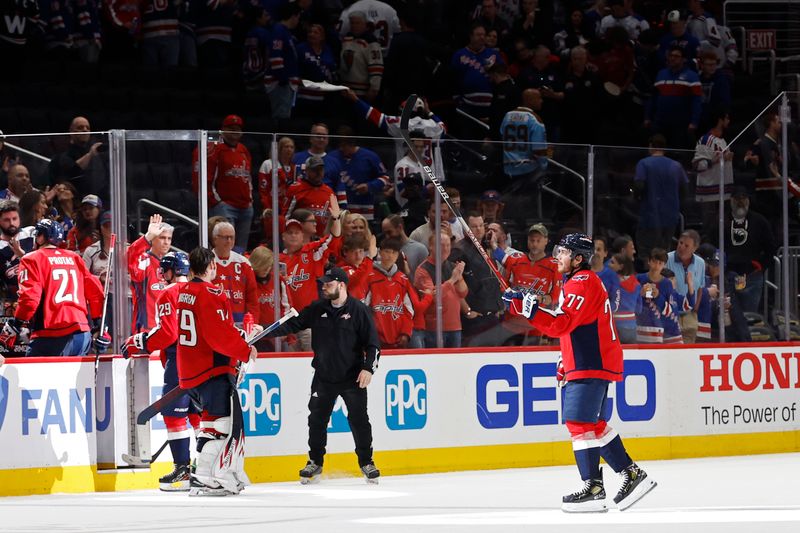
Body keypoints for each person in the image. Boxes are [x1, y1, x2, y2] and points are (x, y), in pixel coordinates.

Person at [503, 233, 656, 513]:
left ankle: (594, 488)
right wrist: (522, 305)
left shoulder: (582, 283)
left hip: (591, 361)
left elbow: (561, 323)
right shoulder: (576, 282)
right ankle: (631, 475)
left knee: (578, 423)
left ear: (577, 259)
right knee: (592, 424)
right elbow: (572, 326)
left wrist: (530, 309)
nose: (556, 256)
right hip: (588, 359)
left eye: (563, 252)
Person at [263, 265, 382, 484]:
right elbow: (294, 323)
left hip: (352, 377)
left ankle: (367, 461)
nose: (324, 287)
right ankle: (315, 461)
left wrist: (368, 368)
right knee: (316, 420)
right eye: (323, 284)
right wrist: (264, 331)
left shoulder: (358, 310)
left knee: (359, 420)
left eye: (328, 284)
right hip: (324, 377)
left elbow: (373, 344)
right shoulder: (318, 308)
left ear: (342, 285)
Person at [172, 247, 257, 496]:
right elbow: (217, 335)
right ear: (211, 267)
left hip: (190, 370)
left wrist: (237, 336)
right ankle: (204, 477)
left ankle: (209, 474)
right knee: (218, 425)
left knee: (211, 423)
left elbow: (211, 328)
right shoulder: (211, 293)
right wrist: (243, 349)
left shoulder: (184, 292)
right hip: (211, 369)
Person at [120, 252, 200, 492]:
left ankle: (183, 470)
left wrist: (140, 341)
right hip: (203, 361)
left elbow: (168, 333)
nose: (162, 275)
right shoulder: (201, 290)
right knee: (198, 415)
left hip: (181, 361)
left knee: (174, 415)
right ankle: (207, 466)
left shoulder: (168, 293)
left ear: (171, 271)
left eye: (164, 270)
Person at [0, 219, 105, 356]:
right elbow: (95, 292)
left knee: (30, 376)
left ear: (42, 236)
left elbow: (29, 298)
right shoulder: (74, 257)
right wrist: (97, 324)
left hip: (50, 334)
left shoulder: (31, 259)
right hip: (82, 334)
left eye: (37, 234)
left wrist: (16, 324)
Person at [280, 196, 342, 350]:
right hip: (286, 322)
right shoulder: (275, 259)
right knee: (288, 365)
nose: (294, 235)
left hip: (310, 320)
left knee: (312, 362)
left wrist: (335, 218)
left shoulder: (311, 252)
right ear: (283, 237)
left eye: (297, 232)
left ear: (303, 236)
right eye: (290, 232)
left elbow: (334, 238)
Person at [191, 115, 253, 252]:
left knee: (240, 249)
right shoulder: (213, 148)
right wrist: (216, 202)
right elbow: (204, 178)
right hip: (225, 206)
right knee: (225, 245)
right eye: (231, 128)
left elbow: (247, 177)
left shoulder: (243, 150)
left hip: (245, 206)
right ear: (223, 129)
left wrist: (250, 200)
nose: (234, 132)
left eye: (237, 129)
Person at [491, 223, 560, 345]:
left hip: (535, 327)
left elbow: (555, 297)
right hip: (511, 326)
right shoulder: (517, 260)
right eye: (532, 240)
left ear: (546, 241)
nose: (534, 244)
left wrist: (542, 298)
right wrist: (493, 243)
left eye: (538, 240)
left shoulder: (554, 266)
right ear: (527, 241)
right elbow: (500, 256)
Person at [364, 236, 432, 349]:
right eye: (387, 251)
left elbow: (409, 310)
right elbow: (364, 308)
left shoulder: (403, 279)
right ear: (380, 252)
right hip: (375, 338)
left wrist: (405, 333)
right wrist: (370, 332)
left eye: (394, 252)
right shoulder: (369, 277)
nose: (390, 255)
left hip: (398, 339)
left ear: (398, 255)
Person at [720, 188, 776, 314]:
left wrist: (761, 266)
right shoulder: (721, 221)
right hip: (727, 276)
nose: (741, 202)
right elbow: (713, 245)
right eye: (737, 199)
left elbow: (770, 246)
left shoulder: (760, 221)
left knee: (750, 316)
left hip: (752, 276)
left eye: (744, 199)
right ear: (731, 200)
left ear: (749, 201)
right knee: (729, 317)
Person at [633, 134, 689, 260]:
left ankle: (648, 275)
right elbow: (685, 189)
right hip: (671, 215)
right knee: (665, 251)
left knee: (647, 252)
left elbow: (639, 186)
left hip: (650, 214)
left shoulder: (644, 164)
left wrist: (637, 199)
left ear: (651, 146)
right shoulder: (676, 166)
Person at [414, 231, 468, 348]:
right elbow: (433, 297)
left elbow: (463, 293)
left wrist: (459, 279)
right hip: (434, 328)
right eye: (441, 245)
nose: (445, 248)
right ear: (431, 247)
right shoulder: (423, 269)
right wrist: (453, 279)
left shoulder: (452, 266)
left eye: (448, 245)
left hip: (455, 326)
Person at [128, 214, 173, 333]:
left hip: (169, 328)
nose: (166, 242)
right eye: (162, 237)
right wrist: (147, 237)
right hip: (146, 329)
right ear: (153, 239)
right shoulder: (144, 260)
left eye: (169, 238)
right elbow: (130, 256)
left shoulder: (174, 263)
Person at [211, 222, 259, 323]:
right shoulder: (206, 261)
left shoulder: (244, 263)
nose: (229, 241)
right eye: (225, 237)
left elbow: (252, 298)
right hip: (215, 321)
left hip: (240, 323)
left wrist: (252, 322)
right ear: (215, 238)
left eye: (231, 237)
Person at [666, 230, 705, 343]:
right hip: (670, 313)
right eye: (680, 243)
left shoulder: (700, 263)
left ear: (695, 248)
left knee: (688, 351)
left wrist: (695, 310)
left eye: (686, 245)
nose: (681, 247)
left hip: (690, 315)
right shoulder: (667, 259)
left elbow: (700, 288)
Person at [501, 88, 548, 183]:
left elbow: (502, 136)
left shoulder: (507, 115)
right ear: (529, 100)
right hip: (528, 170)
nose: (541, 101)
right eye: (539, 98)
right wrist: (545, 166)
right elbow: (539, 149)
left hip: (508, 167)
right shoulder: (534, 119)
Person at [284, 155, 337, 238]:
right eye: (314, 170)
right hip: (301, 239)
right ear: (307, 171)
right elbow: (286, 216)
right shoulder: (295, 188)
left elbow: (335, 218)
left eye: (320, 169)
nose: (318, 172)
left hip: (323, 241)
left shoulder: (329, 192)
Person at [266, 3, 301, 119]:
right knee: (281, 117)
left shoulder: (285, 32)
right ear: (294, 16)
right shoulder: (279, 31)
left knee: (284, 115)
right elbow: (276, 56)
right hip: (280, 84)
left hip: (285, 84)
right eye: (298, 17)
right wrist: (282, 79)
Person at [339, 10, 384, 103]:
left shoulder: (371, 42)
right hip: (346, 91)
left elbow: (377, 68)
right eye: (352, 23)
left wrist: (374, 89)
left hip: (363, 93)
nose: (354, 26)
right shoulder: (347, 39)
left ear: (365, 24)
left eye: (357, 23)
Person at [0, 201, 35, 313]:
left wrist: (22, 255)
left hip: (38, 294)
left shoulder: (32, 233)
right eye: (6, 220)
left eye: (15, 219)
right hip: (13, 302)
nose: (12, 223)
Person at [381, 214, 428, 282]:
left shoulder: (420, 249)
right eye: (385, 233)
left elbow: (426, 279)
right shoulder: (384, 251)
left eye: (389, 232)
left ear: (400, 227)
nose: (387, 237)